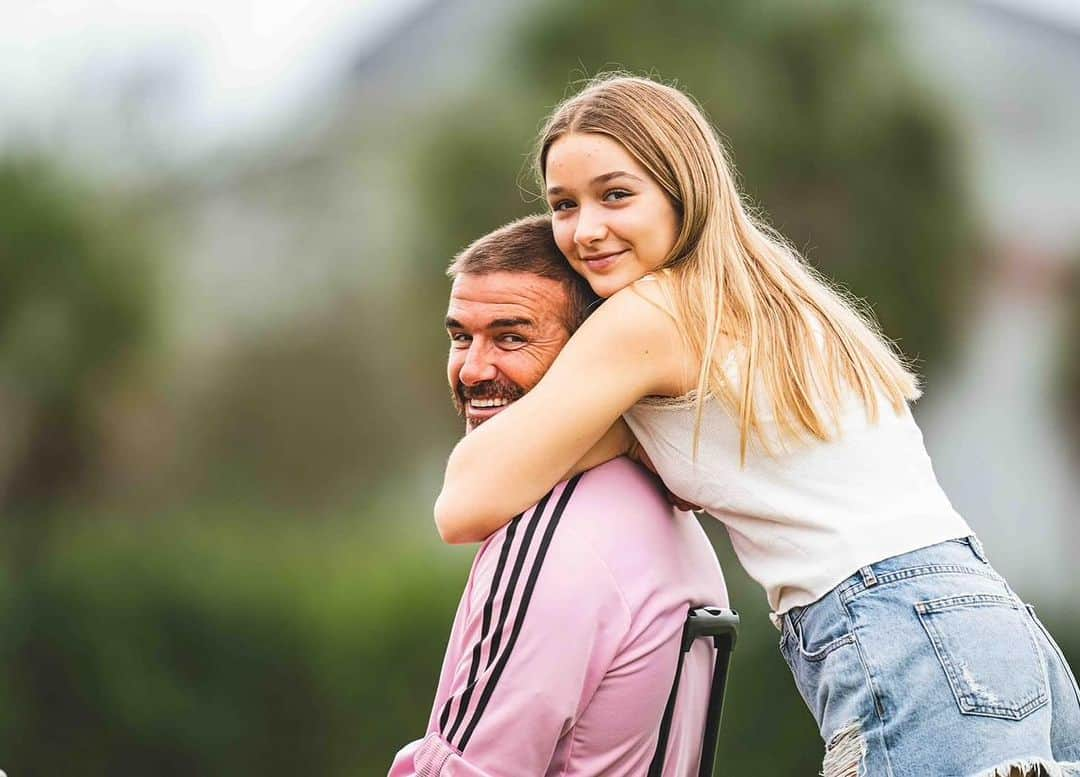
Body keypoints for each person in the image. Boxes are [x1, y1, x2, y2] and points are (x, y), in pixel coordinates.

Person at [434, 75, 1080, 776]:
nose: (586, 230)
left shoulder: (654, 311)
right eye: (564, 204)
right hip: (994, 624)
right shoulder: (772, 297)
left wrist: (600, 427)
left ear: (683, 189)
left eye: (616, 194)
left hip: (902, 634)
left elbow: (465, 502)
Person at [389, 215, 729, 776]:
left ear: (590, 354)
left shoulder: (554, 536)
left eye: (511, 337)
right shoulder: (661, 509)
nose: (472, 370)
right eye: (459, 337)